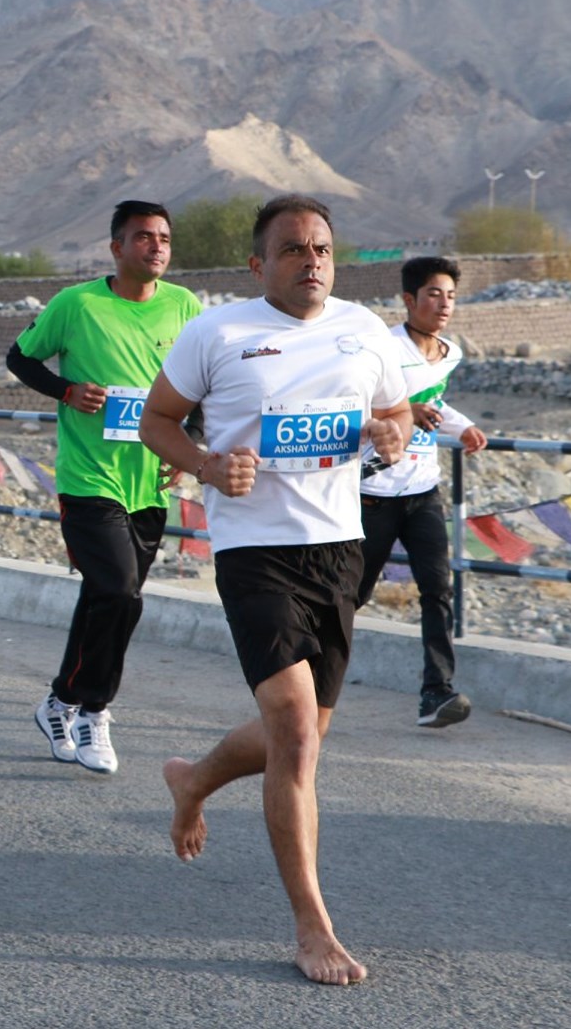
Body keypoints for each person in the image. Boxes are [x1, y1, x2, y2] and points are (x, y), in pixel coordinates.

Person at [138, 194, 409, 986]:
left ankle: (193, 782)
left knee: (302, 735)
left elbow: (392, 412)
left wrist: (392, 430)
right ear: (259, 265)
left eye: (322, 248)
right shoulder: (216, 333)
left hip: (339, 552)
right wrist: (209, 466)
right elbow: (159, 420)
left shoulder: (363, 331)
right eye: (293, 249)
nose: (312, 261)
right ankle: (311, 924)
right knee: (293, 729)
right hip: (254, 551)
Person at [6, 200, 200, 775]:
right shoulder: (78, 304)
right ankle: (94, 709)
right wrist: (66, 390)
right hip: (89, 479)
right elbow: (20, 359)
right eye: (143, 237)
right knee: (119, 593)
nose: (157, 246)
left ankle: (58, 700)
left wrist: (185, 448)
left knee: (104, 597)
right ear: (117, 247)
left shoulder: (184, 306)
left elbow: (201, 386)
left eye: (164, 237)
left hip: (149, 484)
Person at [357, 257, 488, 728]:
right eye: (434, 294)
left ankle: (436, 693)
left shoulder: (450, 353)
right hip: (374, 490)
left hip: (422, 489)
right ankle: (304, 675)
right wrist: (406, 409)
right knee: (353, 593)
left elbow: (435, 403)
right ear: (409, 300)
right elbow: (357, 399)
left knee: (438, 589)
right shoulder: (382, 347)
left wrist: (464, 425)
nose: (444, 304)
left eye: (451, 295)